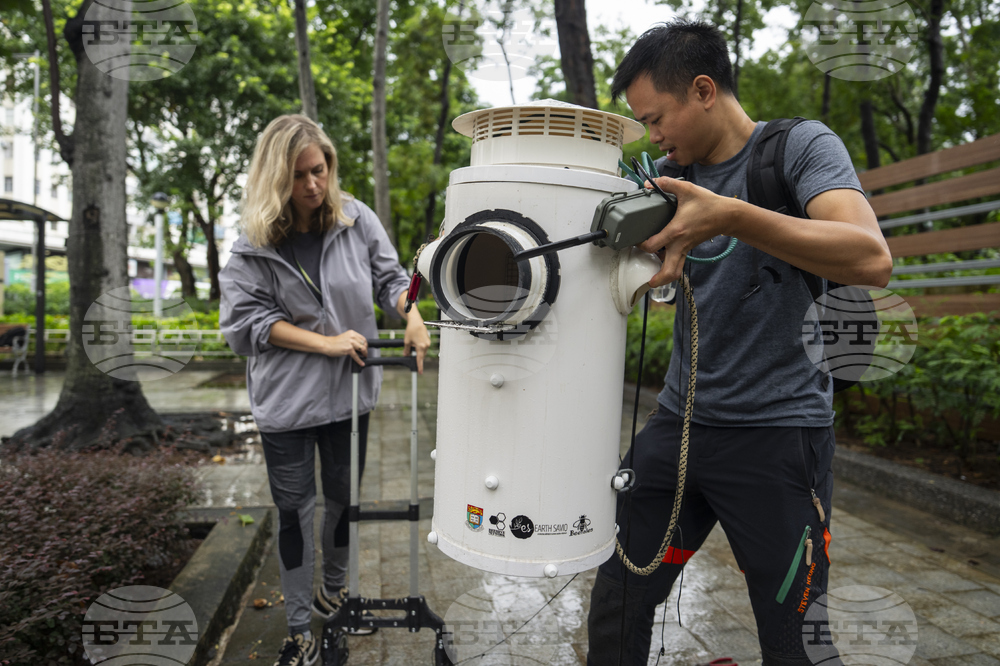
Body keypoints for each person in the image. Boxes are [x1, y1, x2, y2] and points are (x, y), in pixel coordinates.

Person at [586, 20, 892, 666]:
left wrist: (729, 215)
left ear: (703, 90)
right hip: (677, 428)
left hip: (778, 437)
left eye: (656, 117)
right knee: (617, 602)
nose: (653, 135)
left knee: (793, 640)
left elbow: (870, 257)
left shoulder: (799, 148)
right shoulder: (664, 180)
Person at [219, 114, 431, 666]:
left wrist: (411, 315)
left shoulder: (355, 220)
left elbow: (390, 280)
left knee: (342, 503)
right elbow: (244, 326)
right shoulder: (252, 245)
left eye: (320, 170)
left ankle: (332, 594)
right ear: (275, 178)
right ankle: (297, 631)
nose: (313, 184)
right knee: (294, 513)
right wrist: (326, 343)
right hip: (286, 404)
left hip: (348, 397)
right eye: (298, 175)